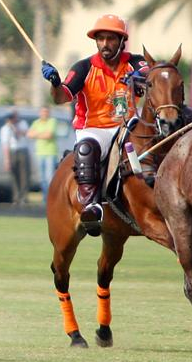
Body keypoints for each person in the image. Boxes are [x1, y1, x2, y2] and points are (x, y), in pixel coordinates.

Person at [40, 14, 147, 236]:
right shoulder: (84, 67)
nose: (105, 44)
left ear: (122, 41)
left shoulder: (134, 62)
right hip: (94, 128)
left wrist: (139, 76)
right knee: (87, 149)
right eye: (101, 39)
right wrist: (55, 83)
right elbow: (61, 97)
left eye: (111, 39)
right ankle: (91, 206)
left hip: (127, 125)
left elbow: (151, 71)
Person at [27, 106, 60, 203]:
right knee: (42, 178)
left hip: (50, 153)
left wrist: (37, 134)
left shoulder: (52, 121)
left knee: (50, 178)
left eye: (46, 112)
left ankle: (52, 198)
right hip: (40, 153)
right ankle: (46, 198)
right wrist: (42, 134)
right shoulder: (36, 122)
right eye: (43, 112)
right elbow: (29, 134)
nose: (44, 114)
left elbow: (48, 135)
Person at [0, 109, 31, 205]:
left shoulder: (22, 124)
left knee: (24, 175)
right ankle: (16, 197)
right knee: (14, 175)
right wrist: (7, 160)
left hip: (22, 150)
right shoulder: (5, 129)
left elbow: (25, 134)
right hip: (12, 151)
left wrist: (14, 127)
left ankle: (24, 197)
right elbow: (5, 144)